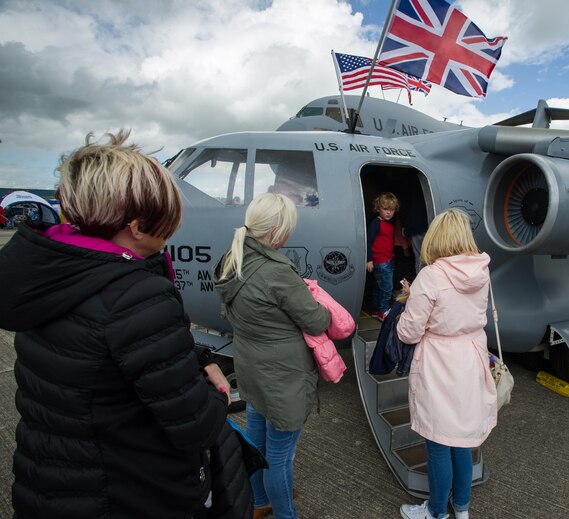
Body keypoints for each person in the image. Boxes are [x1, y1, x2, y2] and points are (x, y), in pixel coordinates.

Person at [0, 130, 234, 518]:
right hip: (129, 494)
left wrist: (190, 355)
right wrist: (216, 396)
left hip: (54, 484)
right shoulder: (136, 294)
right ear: (139, 227)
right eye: (169, 219)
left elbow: (101, 349)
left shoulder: (52, 276)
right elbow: (196, 425)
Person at [213, 193, 331, 519]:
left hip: (252, 369)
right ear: (277, 231)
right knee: (279, 458)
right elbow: (317, 320)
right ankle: (285, 514)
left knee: (257, 446)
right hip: (284, 378)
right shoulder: (277, 272)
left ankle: (260, 500)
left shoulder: (232, 258)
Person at [396, 209, 498, 519]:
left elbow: (409, 331)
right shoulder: (481, 270)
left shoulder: (432, 275)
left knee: (438, 441)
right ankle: (462, 508)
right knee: (463, 440)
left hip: (440, 362)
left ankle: (437, 511)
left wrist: (409, 302)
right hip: (471, 357)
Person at [366, 192, 408, 320]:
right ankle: (383, 311)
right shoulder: (376, 223)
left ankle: (375, 310)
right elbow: (368, 241)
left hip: (388, 260)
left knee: (379, 287)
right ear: (378, 209)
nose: (389, 212)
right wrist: (369, 259)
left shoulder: (389, 224)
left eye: (392, 210)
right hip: (380, 261)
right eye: (385, 209)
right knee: (386, 288)